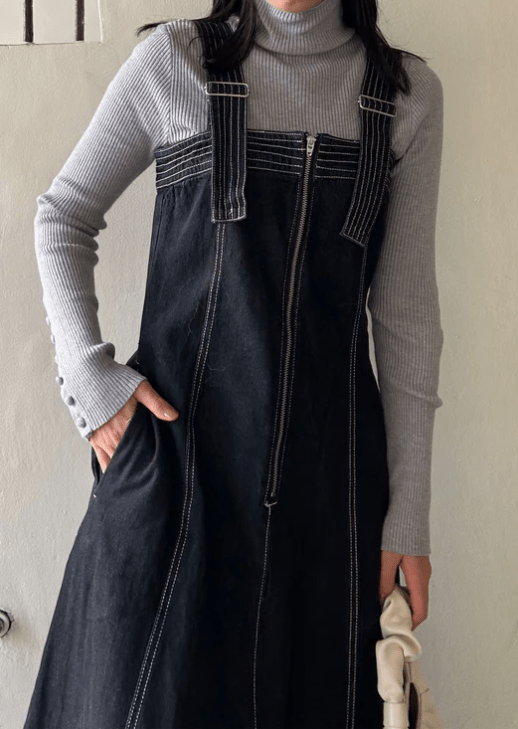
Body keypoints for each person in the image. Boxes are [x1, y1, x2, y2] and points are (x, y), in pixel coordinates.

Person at [24, 0, 444, 727]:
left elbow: (406, 321)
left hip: (330, 511)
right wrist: (92, 386)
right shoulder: (174, 62)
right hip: (173, 490)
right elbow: (62, 216)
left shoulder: (406, 98)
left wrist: (408, 517)